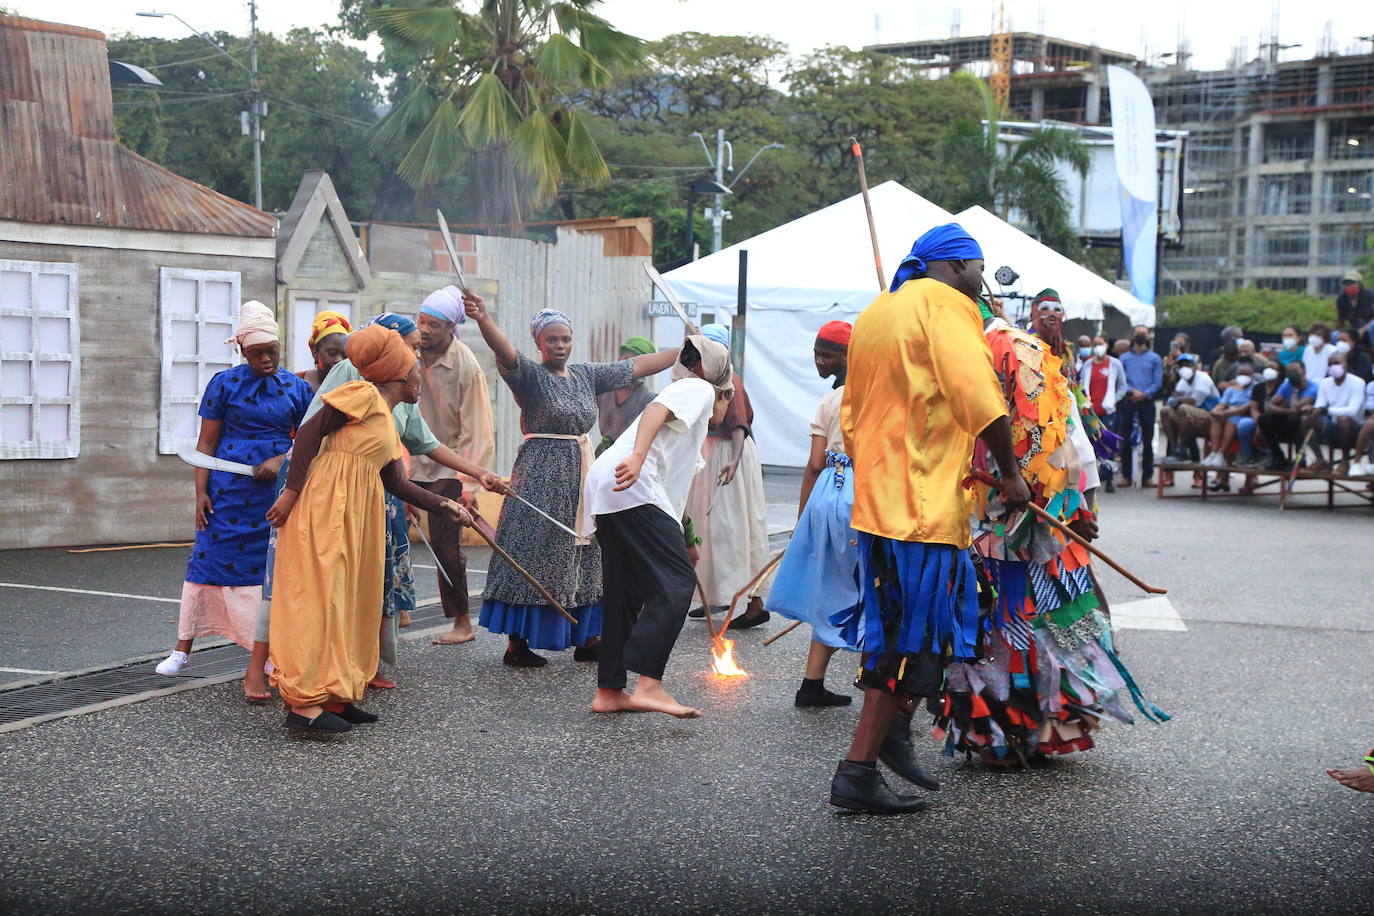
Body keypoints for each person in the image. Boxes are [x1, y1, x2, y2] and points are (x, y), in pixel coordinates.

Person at [826, 223, 1030, 815]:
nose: (983, 277)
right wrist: (1012, 475)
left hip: (883, 502)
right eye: (980, 266)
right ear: (958, 265)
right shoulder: (948, 307)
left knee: (937, 626)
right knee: (909, 640)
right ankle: (859, 768)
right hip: (919, 511)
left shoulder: (878, 311)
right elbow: (979, 394)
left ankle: (892, 730)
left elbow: (854, 412)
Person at [941, 292, 1166, 768]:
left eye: (1055, 312)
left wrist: (1076, 497)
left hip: (1016, 513)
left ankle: (1016, 728)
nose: (1050, 318)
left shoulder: (1008, 349)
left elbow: (1063, 433)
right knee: (1001, 616)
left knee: (1019, 614)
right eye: (1045, 312)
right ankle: (1010, 727)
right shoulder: (973, 345)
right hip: (984, 512)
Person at [247, 312, 507, 697]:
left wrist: (451, 498)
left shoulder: (393, 406)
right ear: (394, 362)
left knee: (356, 591)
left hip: (363, 505)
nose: (420, 360)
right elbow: (308, 433)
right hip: (324, 499)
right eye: (414, 352)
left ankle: (343, 684)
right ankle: (300, 694)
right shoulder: (358, 390)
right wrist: (291, 494)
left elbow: (400, 473)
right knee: (317, 592)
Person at [467, 298, 679, 667]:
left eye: (565, 339)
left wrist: (687, 349)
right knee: (535, 548)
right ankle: (518, 643)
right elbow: (504, 350)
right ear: (539, 343)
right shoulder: (530, 376)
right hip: (540, 473)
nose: (560, 346)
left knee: (588, 549)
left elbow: (638, 365)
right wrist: (483, 317)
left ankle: (587, 637)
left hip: (582, 472)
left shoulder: (586, 374)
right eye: (552, 340)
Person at [155, 301, 314, 682]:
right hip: (226, 490)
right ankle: (182, 648)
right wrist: (200, 493)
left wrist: (281, 458)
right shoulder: (223, 384)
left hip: (275, 494)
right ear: (242, 351)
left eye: (271, 352)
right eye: (256, 353)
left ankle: (267, 652)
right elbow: (206, 444)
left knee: (267, 572)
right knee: (206, 559)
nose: (265, 360)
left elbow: (311, 440)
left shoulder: (296, 387)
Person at [584, 335, 735, 720]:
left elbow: (675, 494)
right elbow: (656, 409)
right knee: (677, 582)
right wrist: (637, 458)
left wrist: (685, 538)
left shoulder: (691, 420)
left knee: (626, 589)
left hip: (612, 490)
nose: (726, 406)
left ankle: (609, 690)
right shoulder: (698, 388)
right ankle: (649, 683)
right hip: (632, 484)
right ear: (718, 385)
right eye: (728, 396)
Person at [764, 322, 859, 707]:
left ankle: (812, 684)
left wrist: (803, 522)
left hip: (826, 495)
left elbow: (815, 464)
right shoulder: (873, 397)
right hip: (859, 494)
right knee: (869, 585)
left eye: (827, 354)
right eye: (817, 353)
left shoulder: (831, 401)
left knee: (832, 587)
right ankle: (875, 682)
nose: (819, 361)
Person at [411, 285, 497, 646]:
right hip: (405, 460)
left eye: (434, 324)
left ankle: (462, 621)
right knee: (386, 538)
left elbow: (477, 431)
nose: (425, 330)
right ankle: (394, 611)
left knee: (445, 545)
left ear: (451, 328)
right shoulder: (407, 354)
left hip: (448, 467)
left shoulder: (466, 366)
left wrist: (469, 485)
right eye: (422, 321)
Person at [686, 323, 771, 631]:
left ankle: (752, 603)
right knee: (709, 530)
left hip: (727, 455)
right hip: (713, 455)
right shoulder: (704, 377)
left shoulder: (728, 378)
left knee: (731, 530)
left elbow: (738, 425)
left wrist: (733, 462)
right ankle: (713, 596)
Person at [1302, 352, 1367, 471]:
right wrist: (1313, 409)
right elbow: (1320, 404)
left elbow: (1352, 410)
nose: (1333, 367)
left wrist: (1326, 410)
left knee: (1343, 419)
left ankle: (1345, 462)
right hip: (1331, 424)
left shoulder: (1358, 382)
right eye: (1330, 364)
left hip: (1354, 426)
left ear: (1345, 365)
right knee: (1307, 419)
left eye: (1336, 363)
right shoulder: (1324, 382)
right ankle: (1320, 460)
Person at [596, 336, 658, 455]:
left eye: (635, 363)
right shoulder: (604, 390)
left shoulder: (649, 401)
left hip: (629, 459)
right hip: (601, 456)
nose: (628, 367)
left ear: (647, 369)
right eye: (625, 359)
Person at [1117, 328, 1162, 487]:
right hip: (1129, 401)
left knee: (1148, 440)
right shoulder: (1124, 358)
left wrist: (1144, 393)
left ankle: (1147, 476)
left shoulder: (1155, 358)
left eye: (1144, 332)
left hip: (1147, 401)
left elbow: (1158, 382)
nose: (1141, 335)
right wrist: (1132, 391)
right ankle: (1126, 476)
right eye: (1138, 332)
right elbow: (1121, 380)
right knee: (1126, 439)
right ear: (1133, 336)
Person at [1258, 361, 1319, 470]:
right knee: (1264, 419)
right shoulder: (1287, 384)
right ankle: (1278, 457)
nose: (1292, 373)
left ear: (1303, 371)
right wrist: (1288, 411)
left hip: (1307, 424)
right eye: (1289, 371)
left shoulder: (1313, 388)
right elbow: (1269, 405)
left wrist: (1295, 391)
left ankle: (1300, 460)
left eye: (1295, 370)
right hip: (1290, 417)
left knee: (1295, 420)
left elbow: (1297, 407)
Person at [1160, 354, 1220, 464]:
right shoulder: (1182, 382)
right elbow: (1173, 396)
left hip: (1209, 416)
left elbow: (1194, 401)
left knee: (1183, 408)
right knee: (1166, 410)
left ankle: (1183, 449)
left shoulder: (1203, 378)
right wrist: (1176, 399)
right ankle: (1175, 449)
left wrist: (1178, 399)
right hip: (1189, 417)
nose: (1184, 367)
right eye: (1181, 365)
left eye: (1188, 364)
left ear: (1194, 366)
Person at [296, 310, 352, 390]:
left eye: (345, 356)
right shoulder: (294, 385)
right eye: (332, 353)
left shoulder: (355, 389)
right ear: (314, 352)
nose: (339, 360)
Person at [1335, 269, 1374, 334]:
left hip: (1370, 326)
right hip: (1355, 328)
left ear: (1359, 284)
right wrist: (1339, 333)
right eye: (1346, 284)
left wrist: (1363, 330)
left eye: (1352, 283)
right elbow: (1340, 320)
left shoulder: (1370, 295)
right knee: (1334, 335)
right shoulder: (1342, 299)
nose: (1349, 286)